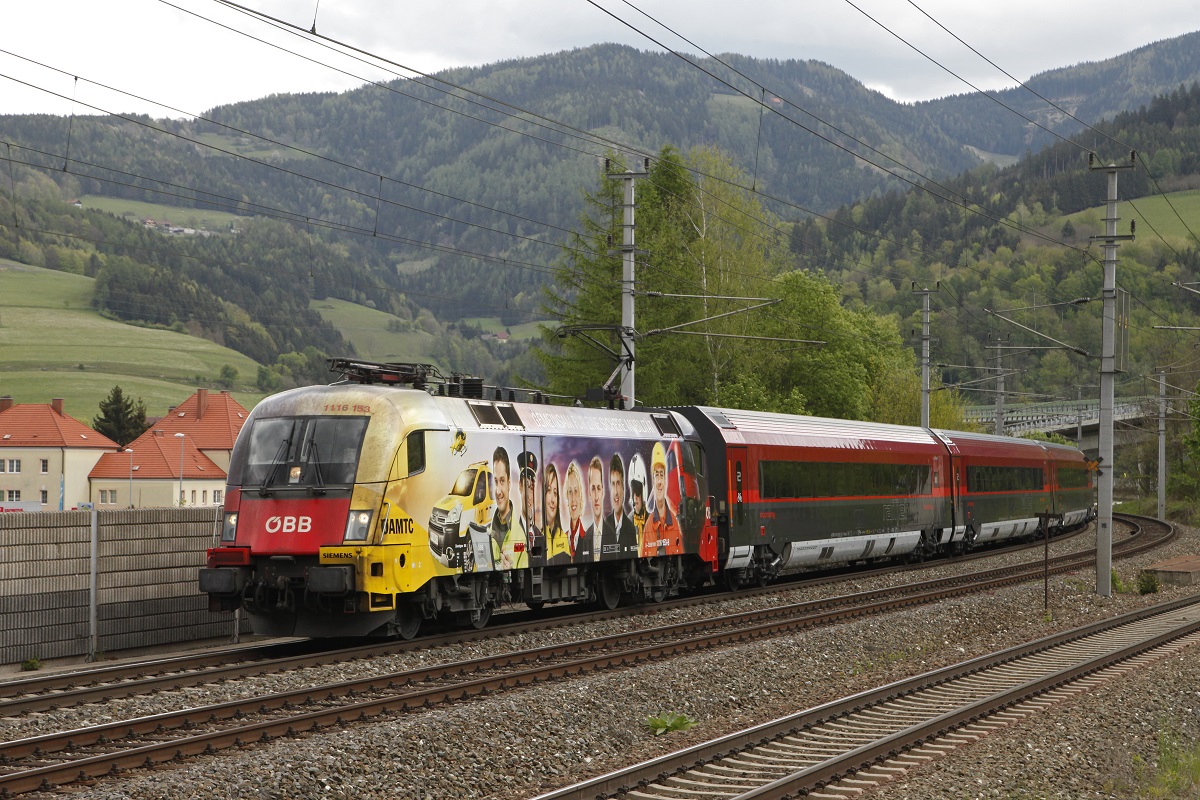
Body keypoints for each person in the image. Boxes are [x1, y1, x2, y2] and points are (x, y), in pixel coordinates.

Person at [641, 442, 682, 557]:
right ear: (653, 481)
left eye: (662, 475)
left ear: (666, 481)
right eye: (656, 475)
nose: (659, 482)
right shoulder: (648, 526)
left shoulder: (674, 523)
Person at [490, 446, 521, 570]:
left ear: (509, 483)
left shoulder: (520, 536)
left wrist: (511, 569)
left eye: (502, 481)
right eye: (496, 481)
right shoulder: (487, 533)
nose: (498, 491)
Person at [602, 453, 638, 557]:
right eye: (613, 484)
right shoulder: (605, 526)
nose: (616, 492)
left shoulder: (631, 528)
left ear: (623, 488)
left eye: (618, 483)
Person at [516, 451, 541, 566]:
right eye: (526, 485)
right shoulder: (513, 533)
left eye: (532, 487)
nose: (530, 496)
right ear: (520, 486)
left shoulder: (541, 537)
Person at [564, 461, 592, 562]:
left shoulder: (588, 538)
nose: (573, 498)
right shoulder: (563, 538)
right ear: (567, 496)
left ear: (581, 496)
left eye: (576, 491)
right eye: (570, 492)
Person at [543, 462, 570, 565]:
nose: (552, 499)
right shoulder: (537, 537)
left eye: (555, 493)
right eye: (549, 491)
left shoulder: (563, 538)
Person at [585, 456, 605, 560]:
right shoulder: (586, 537)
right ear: (589, 493)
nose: (596, 497)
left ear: (603, 491)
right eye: (593, 489)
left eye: (598, 488)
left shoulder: (614, 534)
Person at [628, 452, 649, 546]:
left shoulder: (651, 520)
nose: (635, 497)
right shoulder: (627, 523)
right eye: (633, 492)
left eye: (638, 492)